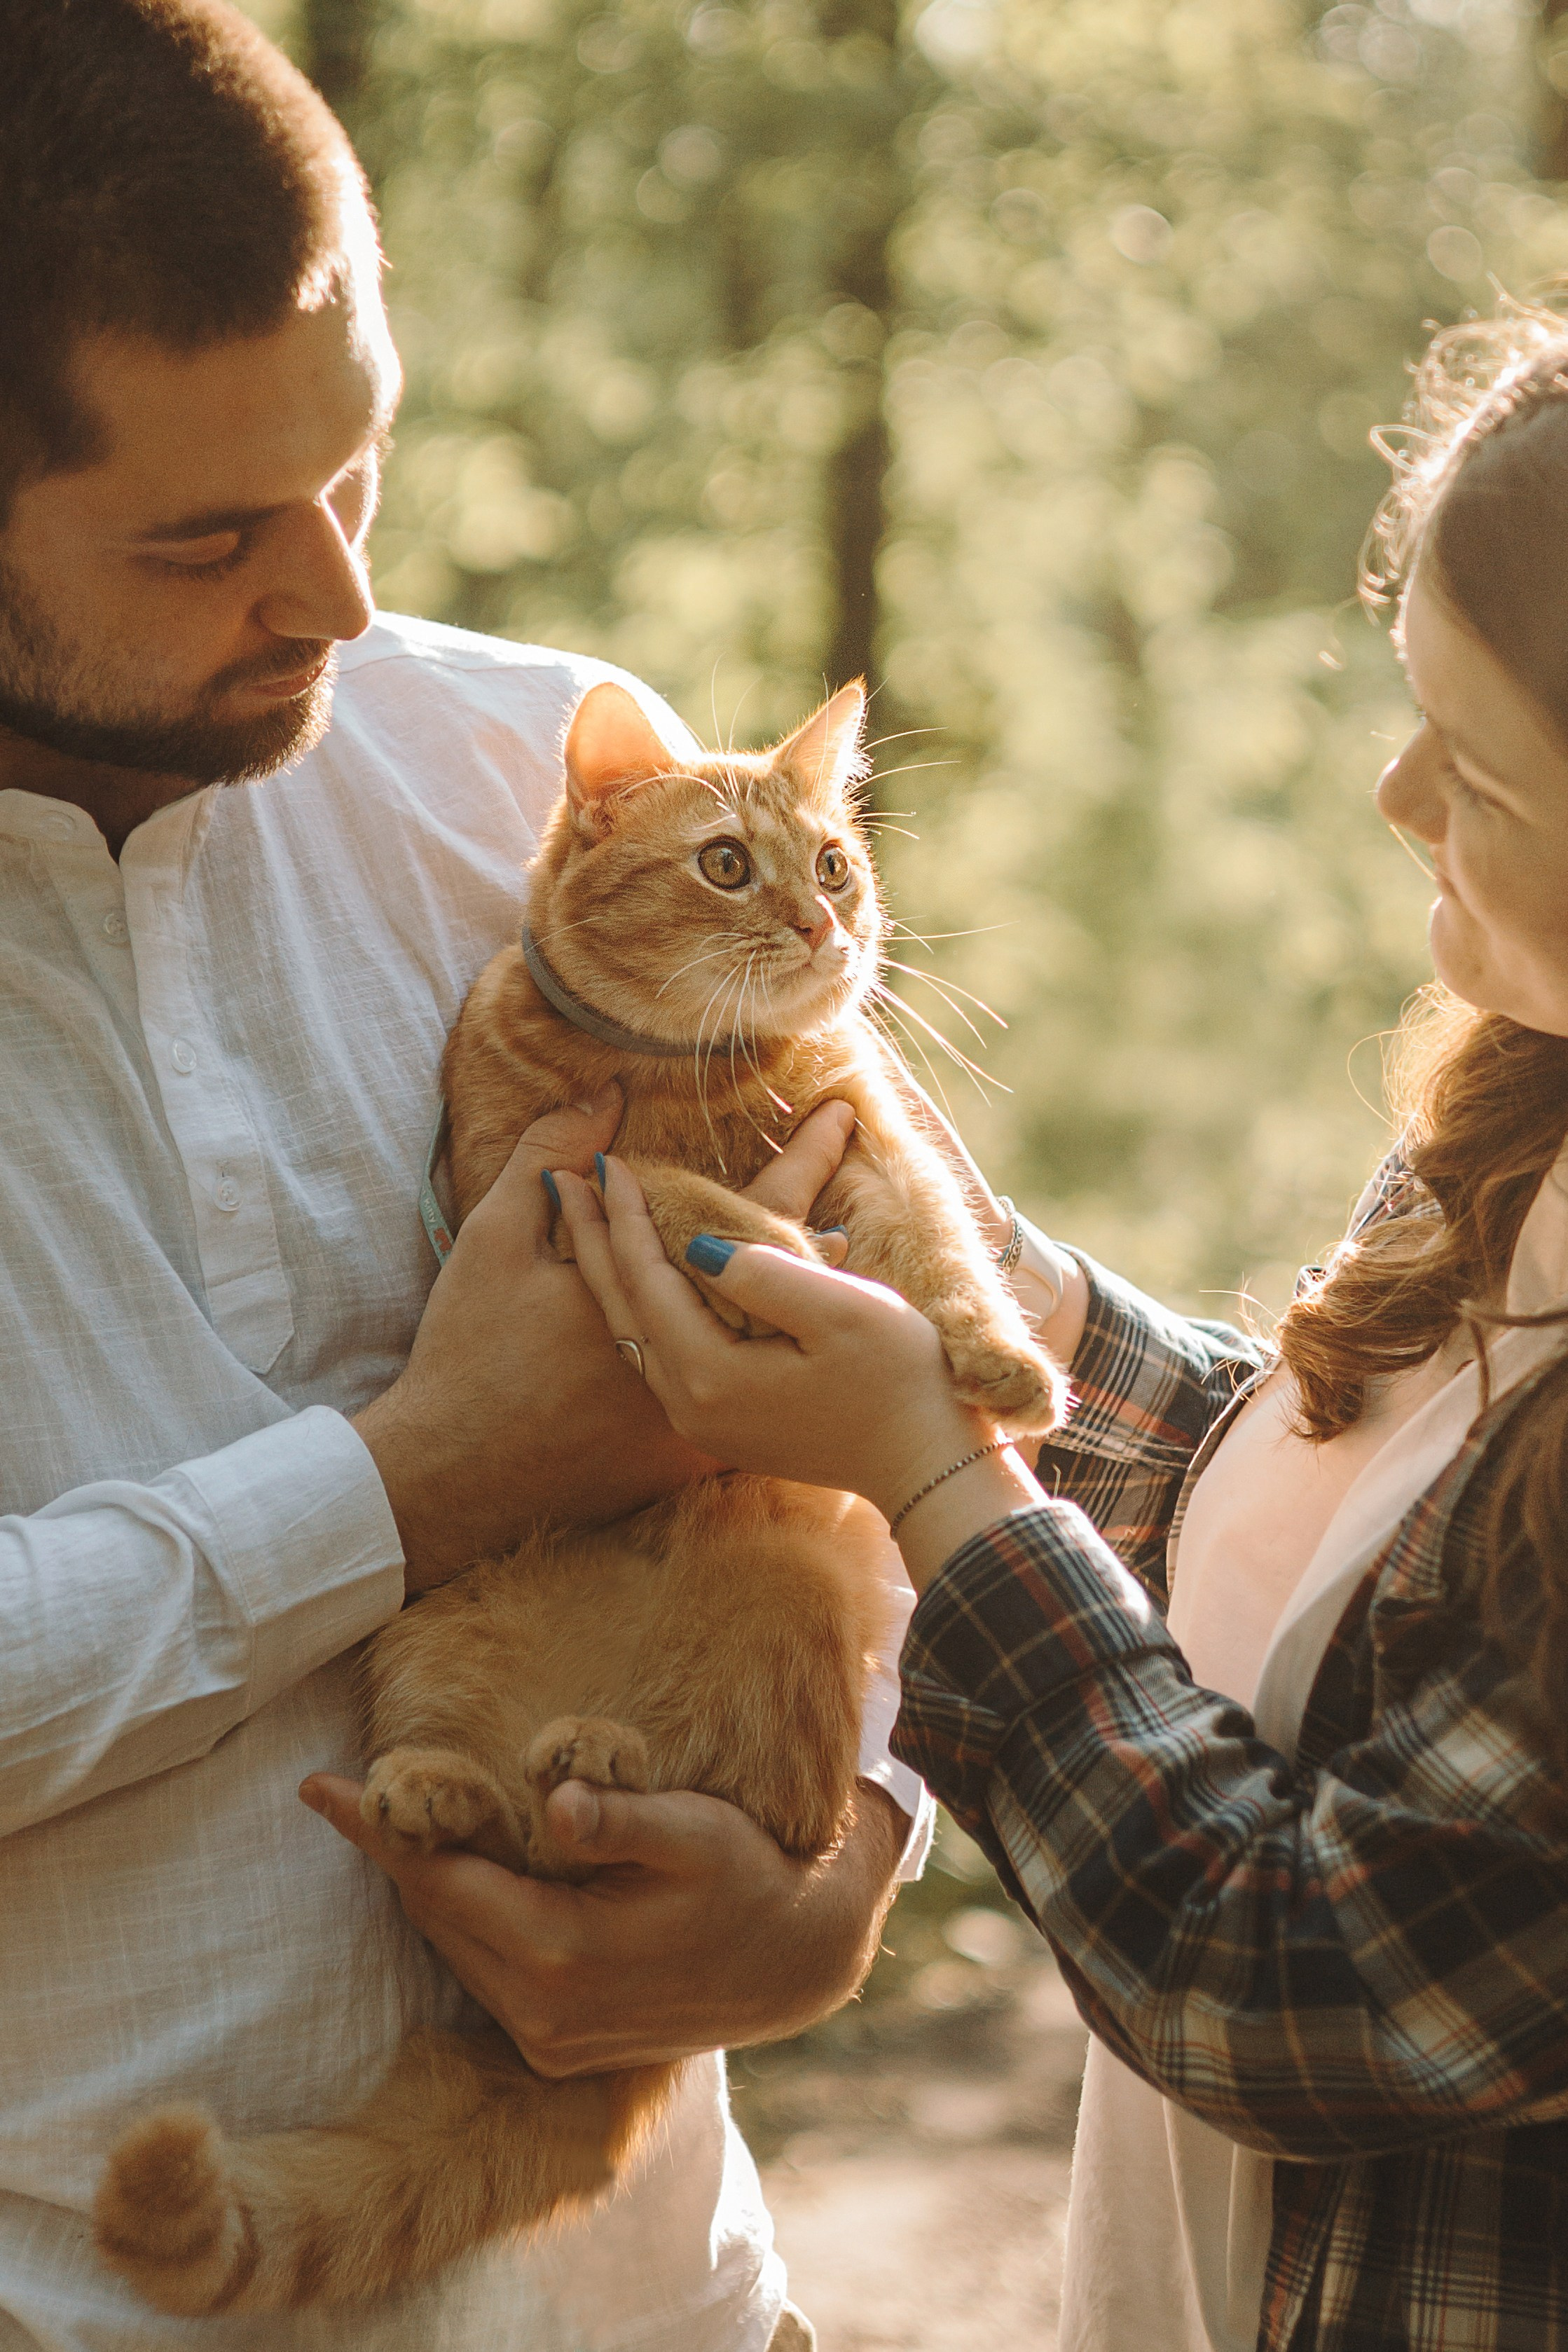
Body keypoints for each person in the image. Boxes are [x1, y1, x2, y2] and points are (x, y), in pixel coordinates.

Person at [0, 4, 930, 2346]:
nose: (330, 596)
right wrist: (410, 1479)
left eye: (361, 468)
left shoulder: (530, 768)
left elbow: (922, 1383)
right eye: (206, 534)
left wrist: (852, 1870)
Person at [534, 298, 1568, 2351]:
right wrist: (1018, 1307)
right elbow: (1367, 1549)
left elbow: (1291, 1975)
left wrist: (934, 1474)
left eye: (1474, 764)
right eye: (1401, 710)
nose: (1387, 794)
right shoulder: (1520, 1112)